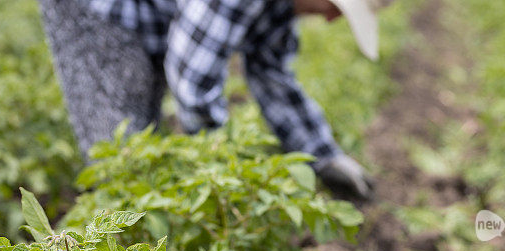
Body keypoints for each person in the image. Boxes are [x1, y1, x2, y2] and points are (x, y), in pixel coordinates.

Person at [38, 0, 379, 198]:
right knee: (120, 157)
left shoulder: (279, 8)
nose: (333, 17)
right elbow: (192, 81)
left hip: (149, 20)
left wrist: (324, 156)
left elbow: (274, 78)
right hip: (98, 9)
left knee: (140, 150)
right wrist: (222, 174)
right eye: (338, 6)